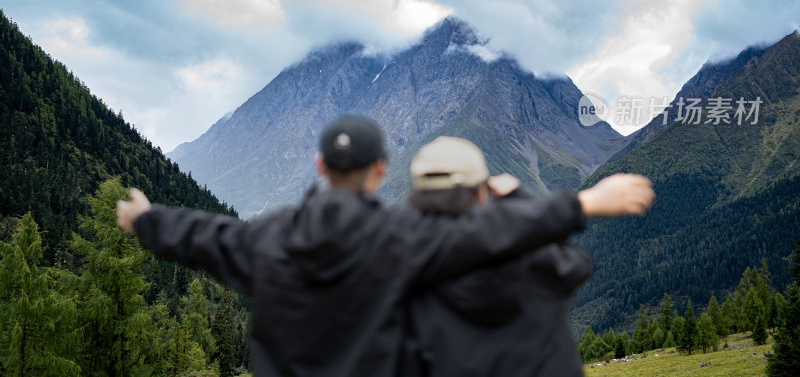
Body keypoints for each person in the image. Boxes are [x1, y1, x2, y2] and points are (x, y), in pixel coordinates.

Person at [117, 115, 654, 377]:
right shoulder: (399, 239)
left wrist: (146, 221)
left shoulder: (265, 239)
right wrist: (581, 205)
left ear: (320, 165)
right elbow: (483, 235)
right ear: (380, 170)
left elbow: (204, 237)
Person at [402, 136, 595, 377]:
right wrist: (518, 200)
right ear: (481, 193)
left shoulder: (404, 278)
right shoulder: (536, 262)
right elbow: (575, 261)